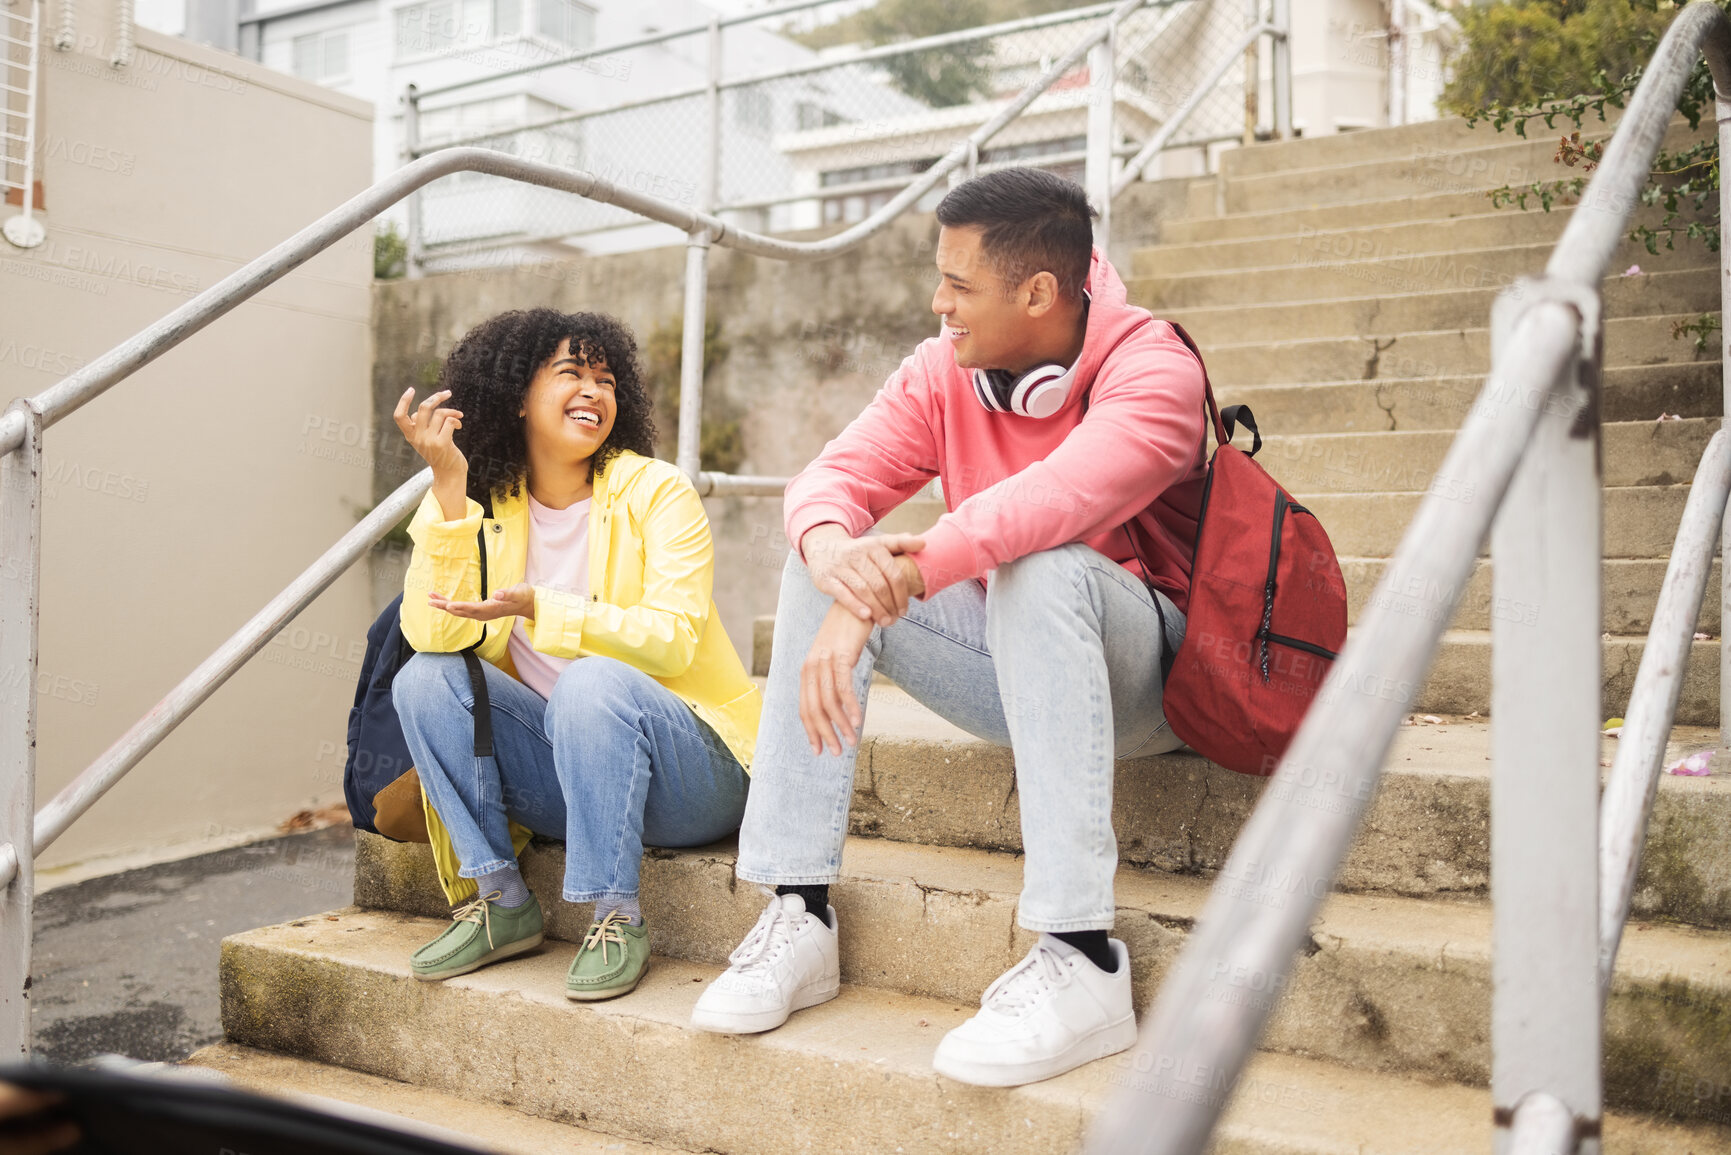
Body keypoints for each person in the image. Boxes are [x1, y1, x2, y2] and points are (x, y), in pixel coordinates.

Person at [690, 168, 1208, 1086]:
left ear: (1039, 291)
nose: (939, 304)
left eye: (958, 285)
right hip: (1017, 674)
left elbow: (1048, 503)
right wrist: (837, 564)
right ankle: (798, 911)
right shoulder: (942, 369)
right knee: (829, 554)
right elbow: (830, 478)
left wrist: (908, 571)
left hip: (1152, 686)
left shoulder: (1154, 369)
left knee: (1038, 560)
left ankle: (1082, 957)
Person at [390, 308, 759, 1001]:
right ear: (518, 397)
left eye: (606, 379)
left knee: (589, 684)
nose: (594, 390)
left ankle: (615, 916)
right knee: (425, 679)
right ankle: (500, 901)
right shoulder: (480, 503)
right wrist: (446, 486)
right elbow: (432, 635)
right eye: (571, 374)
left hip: (692, 776)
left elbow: (672, 634)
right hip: (569, 777)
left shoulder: (658, 491)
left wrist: (543, 608)